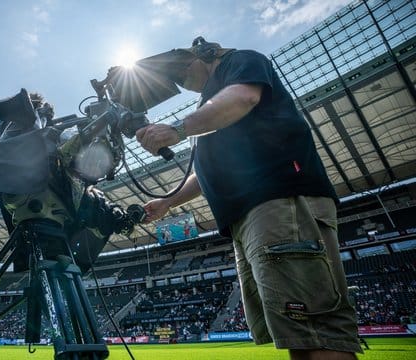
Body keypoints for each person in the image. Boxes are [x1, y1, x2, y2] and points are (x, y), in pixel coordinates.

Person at [135, 36, 362, 359]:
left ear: (206, 53)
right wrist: (169, 201)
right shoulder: (211, 107)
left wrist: (178, 128)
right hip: (251, 217)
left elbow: (243, 97)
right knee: (298, 336)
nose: (181, 82)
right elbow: (205, 171)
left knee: (317, 335)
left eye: (184, 71)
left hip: (278, 202)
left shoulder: (241, 61)